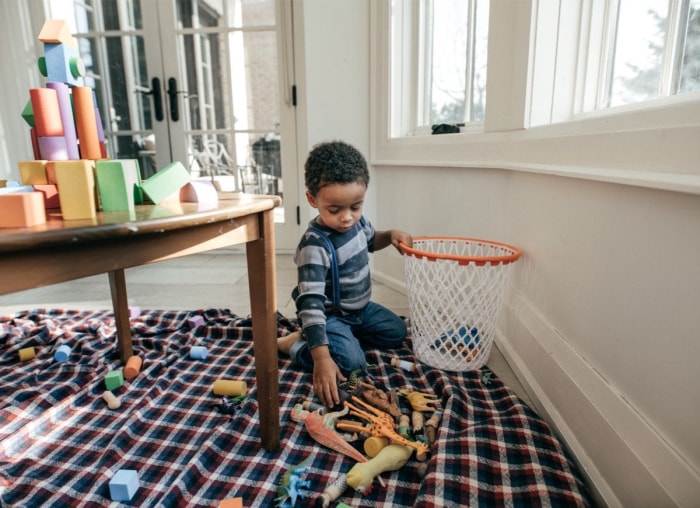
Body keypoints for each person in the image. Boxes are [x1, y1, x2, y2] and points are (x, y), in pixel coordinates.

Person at [278, 140, 413, 407]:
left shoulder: (358, 222)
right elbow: (311, 304)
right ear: (312, 199)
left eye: (356, 206)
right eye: (335, 210)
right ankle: (295, 345)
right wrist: (321, 358)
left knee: (396, 332)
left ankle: (342, 340)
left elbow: (373, 240)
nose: (347, 218)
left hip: (359, 311)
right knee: (353, 367)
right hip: (330, 316)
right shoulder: (314, 246)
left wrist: (392, 235)